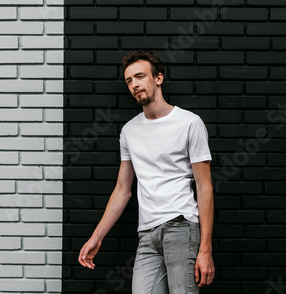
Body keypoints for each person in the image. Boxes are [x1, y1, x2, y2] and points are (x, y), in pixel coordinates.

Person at [78, 50, 215, 293]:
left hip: (181, 227)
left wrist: (205, 249)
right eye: (129, 80)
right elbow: (122, 190)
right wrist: (96, 237)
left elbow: (204, 187)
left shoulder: (189, 123)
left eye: (140, 77)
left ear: (158, 78)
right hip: (147, 235)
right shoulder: (129, 131)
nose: (134, 85)